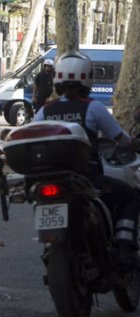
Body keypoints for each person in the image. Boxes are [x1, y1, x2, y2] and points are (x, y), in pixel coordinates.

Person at [34, 51, 140, 270]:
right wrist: (133, 144)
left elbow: (30, 134)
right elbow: (120, 139)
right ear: (87, 78)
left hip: (52, 178)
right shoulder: (94, 108)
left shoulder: (46, 111)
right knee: (130, 197)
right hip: (87, 179)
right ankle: (124, 246)